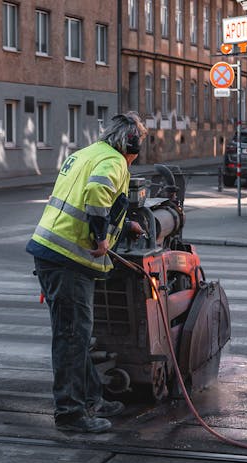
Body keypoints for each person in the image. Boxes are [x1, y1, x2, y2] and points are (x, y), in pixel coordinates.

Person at [26, 112, 148, 433]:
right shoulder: (115, 162)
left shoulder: (86, 153)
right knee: (71, 336)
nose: (140, 147)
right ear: (131, 142)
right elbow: (96, 195)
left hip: (53, 252)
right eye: (141, 140)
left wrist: (123, 227)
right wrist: (100, 237)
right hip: (67, 258)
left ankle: (92, 396)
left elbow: (81, 201)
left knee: (76, 334)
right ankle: (70, 414)